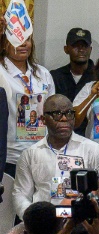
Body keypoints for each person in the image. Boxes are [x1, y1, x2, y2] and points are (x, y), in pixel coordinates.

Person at [12, 95, 99, 218]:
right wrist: (35, 220)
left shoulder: (96, 152)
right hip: (45, 225)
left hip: (84, 223)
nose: (64, 118)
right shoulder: (30, 154)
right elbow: (20, 195)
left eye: (69, 113)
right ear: (43, 119)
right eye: (57, 114)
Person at [0, 30, 55, 182]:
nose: (23, 43)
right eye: (16, 40)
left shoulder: (43, 73)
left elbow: (52, 112)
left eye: (27, 39)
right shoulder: (1, 72)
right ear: (5, 44)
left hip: (41, 155)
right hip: (10, 157)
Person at [50, 28, 95, 137]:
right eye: (76, 46)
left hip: (90, 139)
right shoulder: (54, 76)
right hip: (59, 136)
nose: (81, 50)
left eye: (85, 46)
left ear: (90, 49)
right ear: (66, 49)